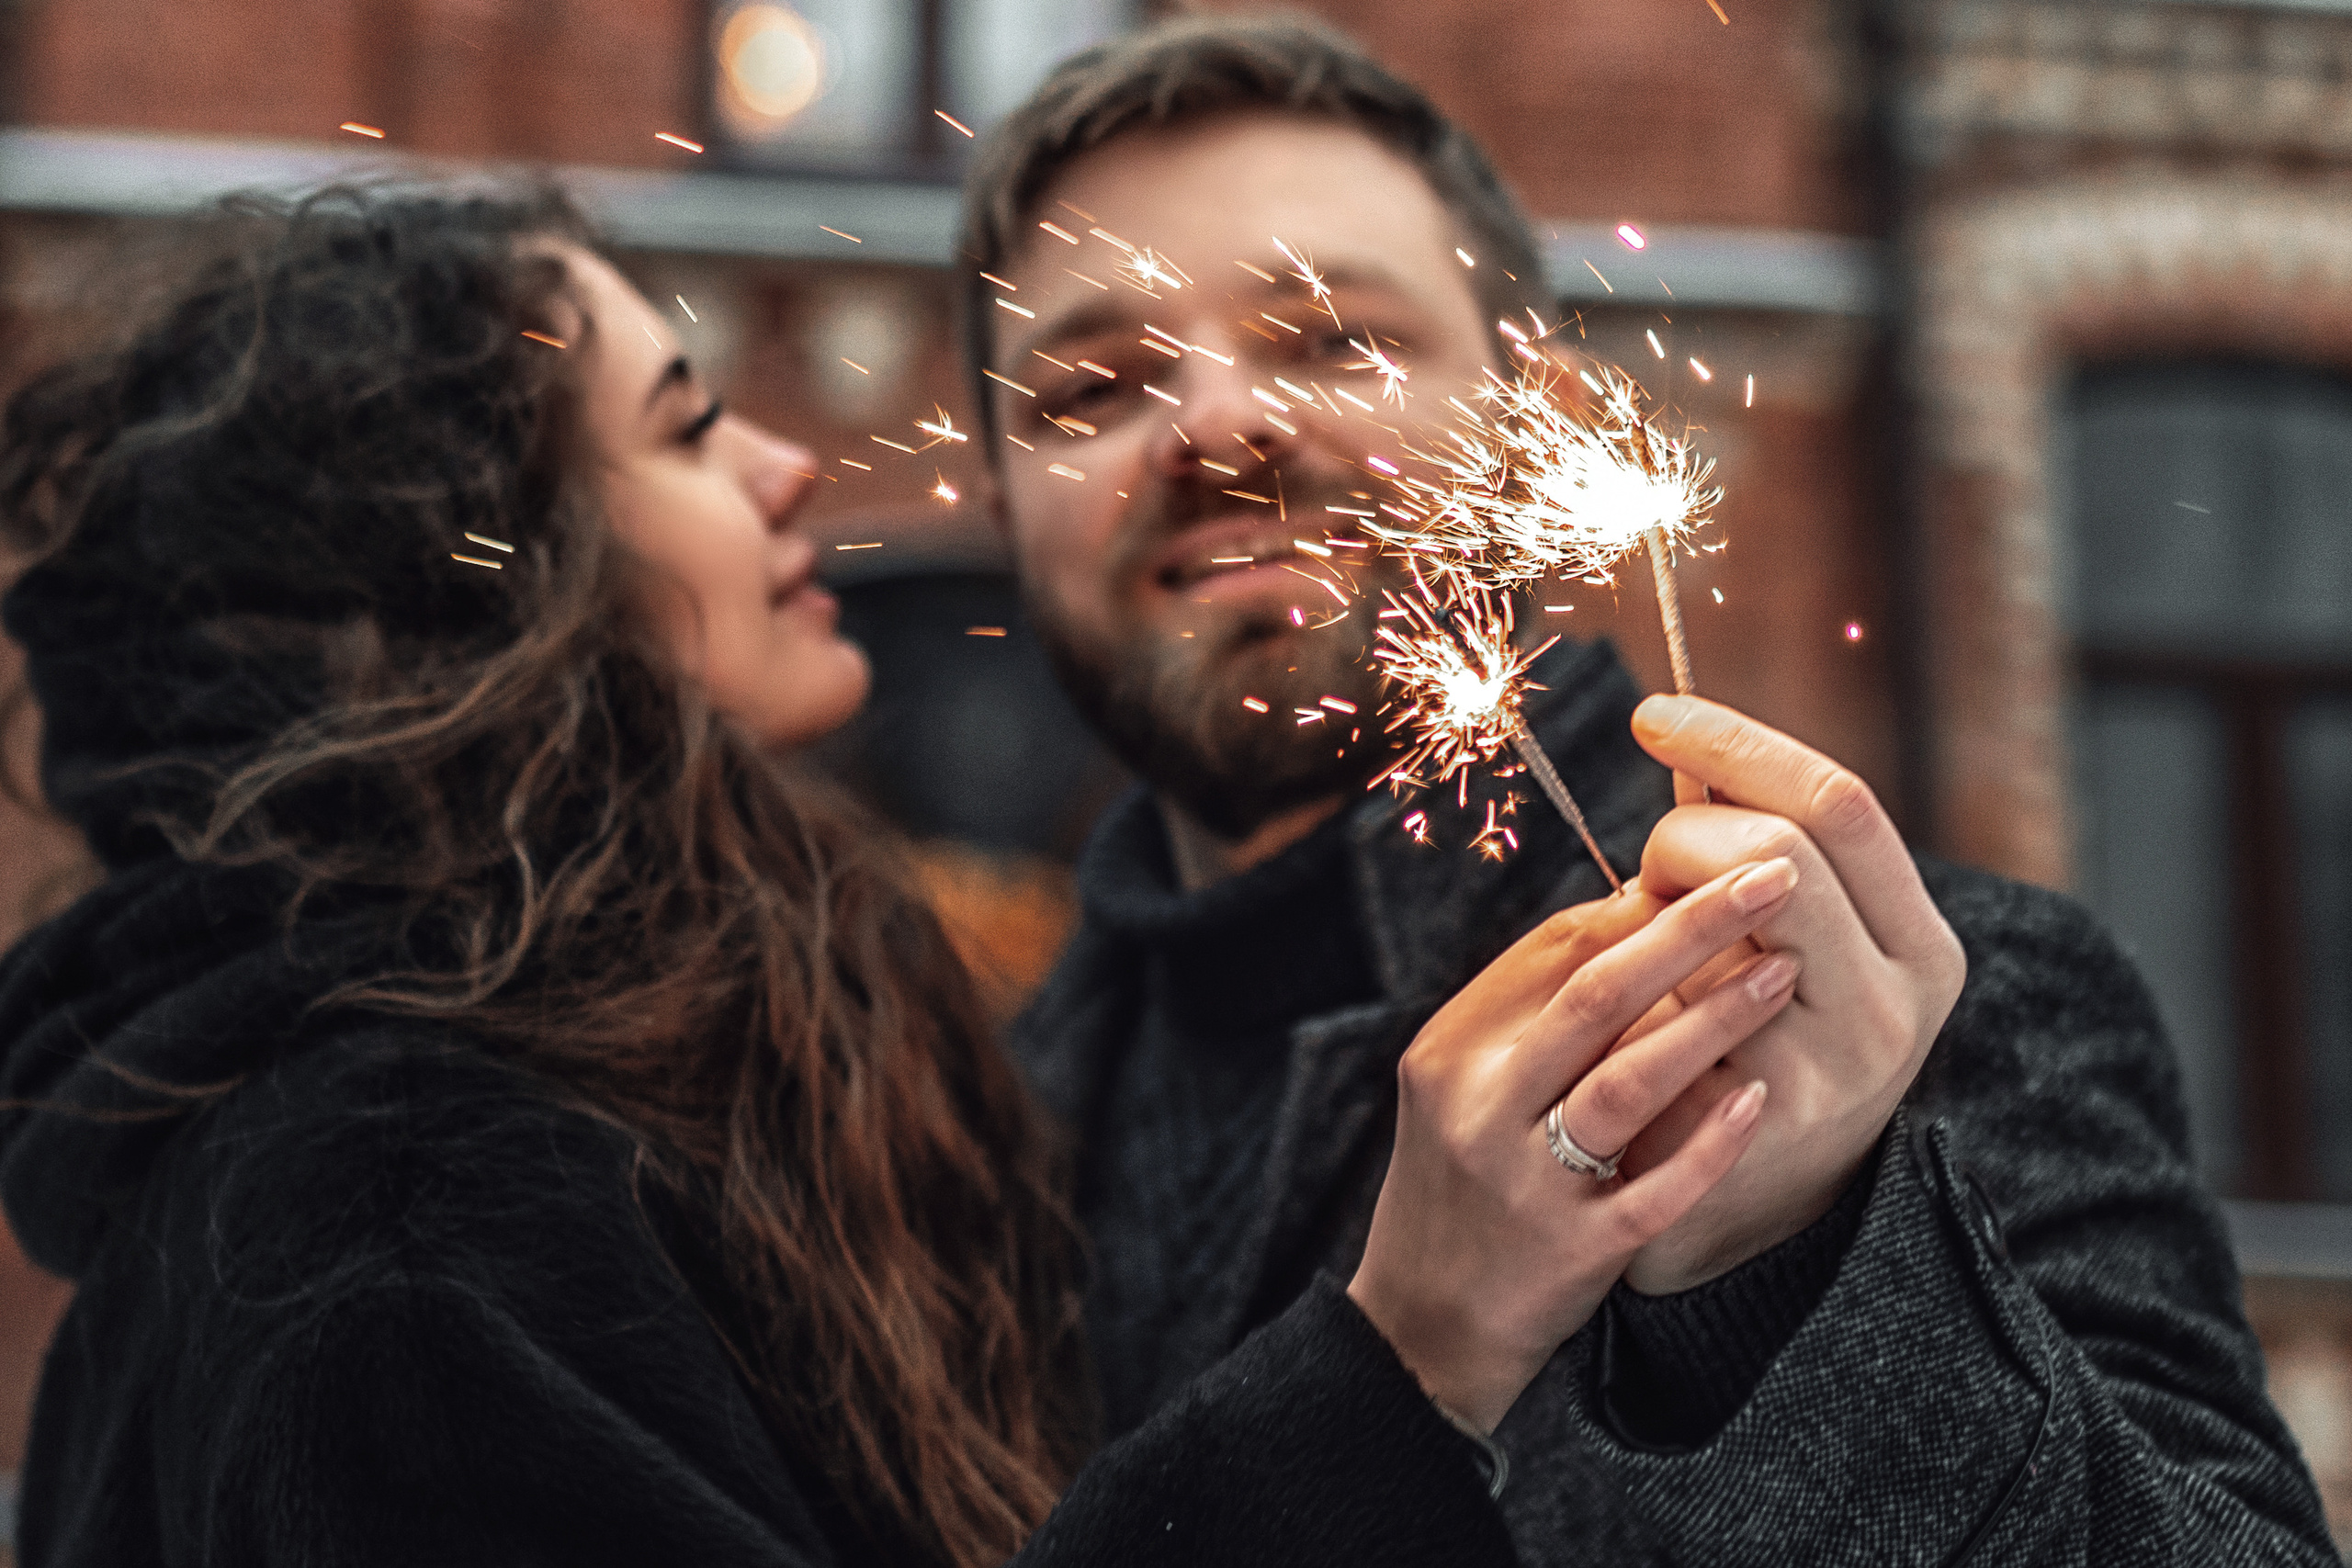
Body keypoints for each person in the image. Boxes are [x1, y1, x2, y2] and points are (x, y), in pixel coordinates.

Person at [0, 185, 1815, 1568]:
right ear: (485, 574)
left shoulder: (625, 1082)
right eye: (690, 426)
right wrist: (1402, 1349)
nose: (789, 467)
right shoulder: (402, 1219)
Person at [959, 16, 2337, 1564]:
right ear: (1002, 496)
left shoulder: (1900, 1005)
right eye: (1093, 389)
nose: (1217, 426)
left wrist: (1798, 1283)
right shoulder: (932, 1143)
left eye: (1335, 336)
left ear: (1543, 418)